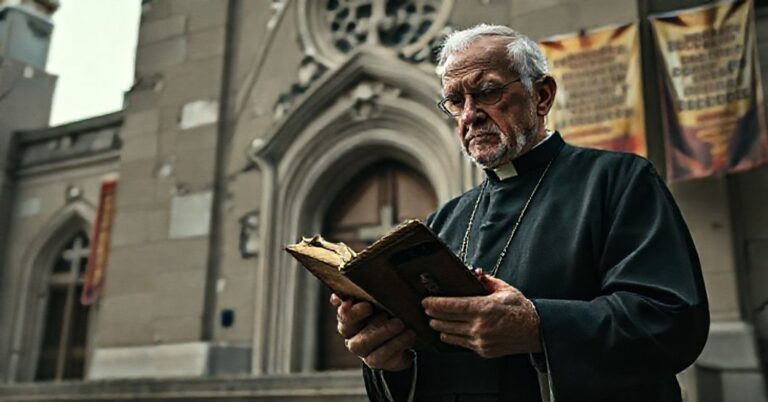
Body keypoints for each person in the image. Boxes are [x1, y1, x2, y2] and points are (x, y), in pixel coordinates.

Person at [331, 24, 709, 402]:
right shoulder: (440, 223)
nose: (470, 115)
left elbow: (672, 320)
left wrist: (538, 326)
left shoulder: (618, 181)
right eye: (455, 101)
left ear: (541, 96)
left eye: (488, 92)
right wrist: (389, 359)